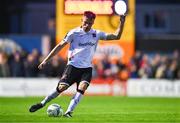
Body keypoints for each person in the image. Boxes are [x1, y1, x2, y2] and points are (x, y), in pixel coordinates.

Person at [29, 11, 126, 117]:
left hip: (87, 68)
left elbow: (116, 36)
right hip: (72, 66)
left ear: (93, 22)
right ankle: (42, 103)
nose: (87, 25)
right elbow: (59, 46)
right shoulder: (73, 33)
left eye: (89, 23)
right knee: (61, 88)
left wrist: (122, 23)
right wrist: (45, 60)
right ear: (81, 20)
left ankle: (69, 112)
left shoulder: (96, 34)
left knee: (82, 87)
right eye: (85, 22)